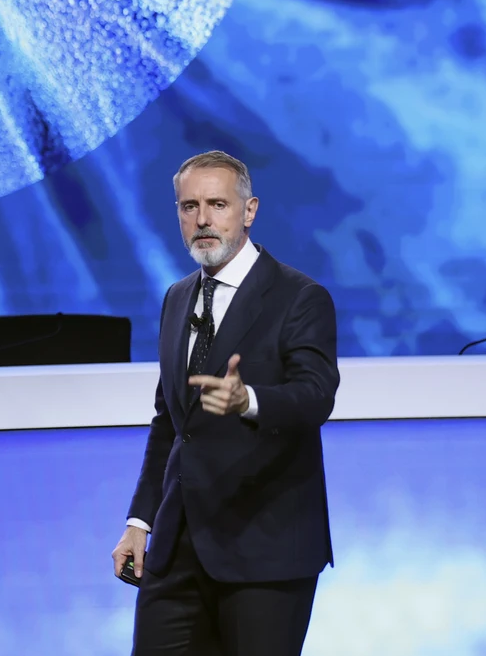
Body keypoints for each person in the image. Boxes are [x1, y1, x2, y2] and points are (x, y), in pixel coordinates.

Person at [111, 150, 339, 656]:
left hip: (264, 550)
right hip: (176, 550)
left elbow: (315, 395)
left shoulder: (299, 296)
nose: (203, 219)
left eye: (218, 204)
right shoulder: (177, 298)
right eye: (189, 207)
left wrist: (248, 400)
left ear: (249, 210)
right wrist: (140, 522)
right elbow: (170, 422)